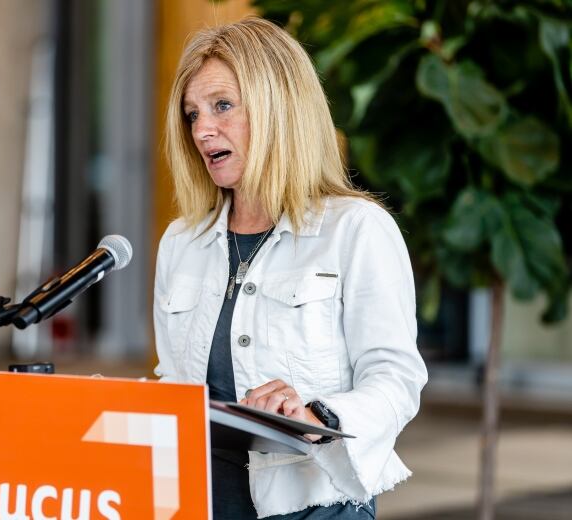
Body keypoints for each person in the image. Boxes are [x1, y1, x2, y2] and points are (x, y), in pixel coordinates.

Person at [153, 17, 427, 519]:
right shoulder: (180, 243)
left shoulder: (357, 230)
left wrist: (315, 415)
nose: (201, 130)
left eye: (222, 106)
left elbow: (396, 378)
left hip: (315, 506)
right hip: (197, 503)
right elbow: (174, 381)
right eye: (192, 114)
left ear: (279, 107)